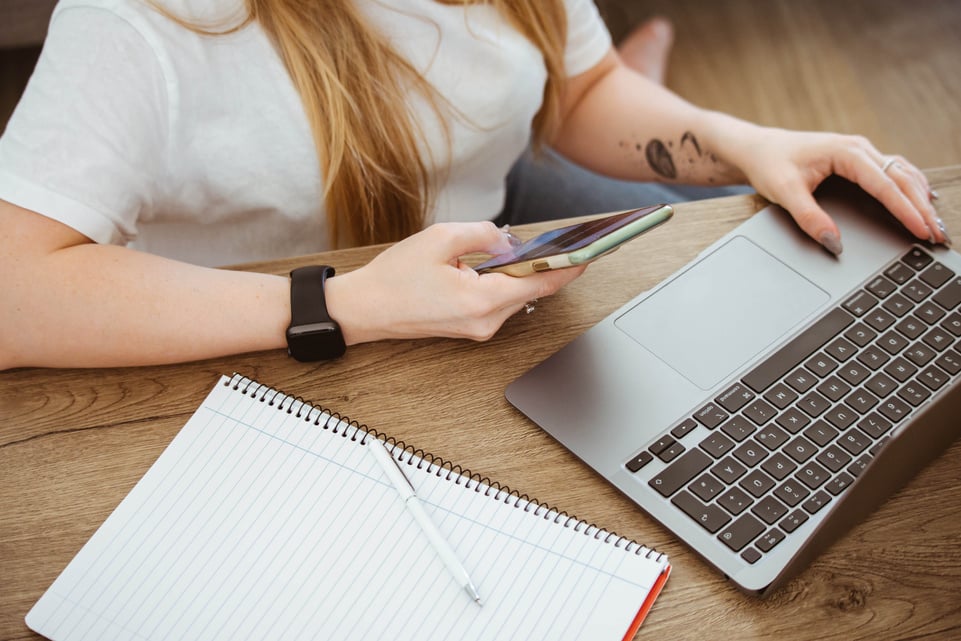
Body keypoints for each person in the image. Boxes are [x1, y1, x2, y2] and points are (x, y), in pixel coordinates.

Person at [0, 0, 946, 371]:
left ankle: (648, 61)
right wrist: (344, 304)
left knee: (801, 254)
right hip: (259, 318)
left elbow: (575, 89)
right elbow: (13, 293)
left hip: (481, 212)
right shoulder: (141, 26)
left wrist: (749, 142)